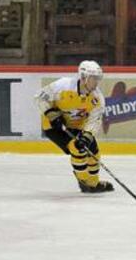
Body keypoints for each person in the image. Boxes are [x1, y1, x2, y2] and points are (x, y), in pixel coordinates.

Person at [33, 60, 113, 193]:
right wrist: (51, 113)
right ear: (83, 77)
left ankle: (93, 183)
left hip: (78, 126)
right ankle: (84, 181)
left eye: (98, 79)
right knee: (77, 149)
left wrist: (86, 136)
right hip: (55, 127)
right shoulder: (63, 85)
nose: (96, 82)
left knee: (94, 153)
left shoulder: (97, 98)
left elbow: (94, 120)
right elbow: (39, 97)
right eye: (93, 78)